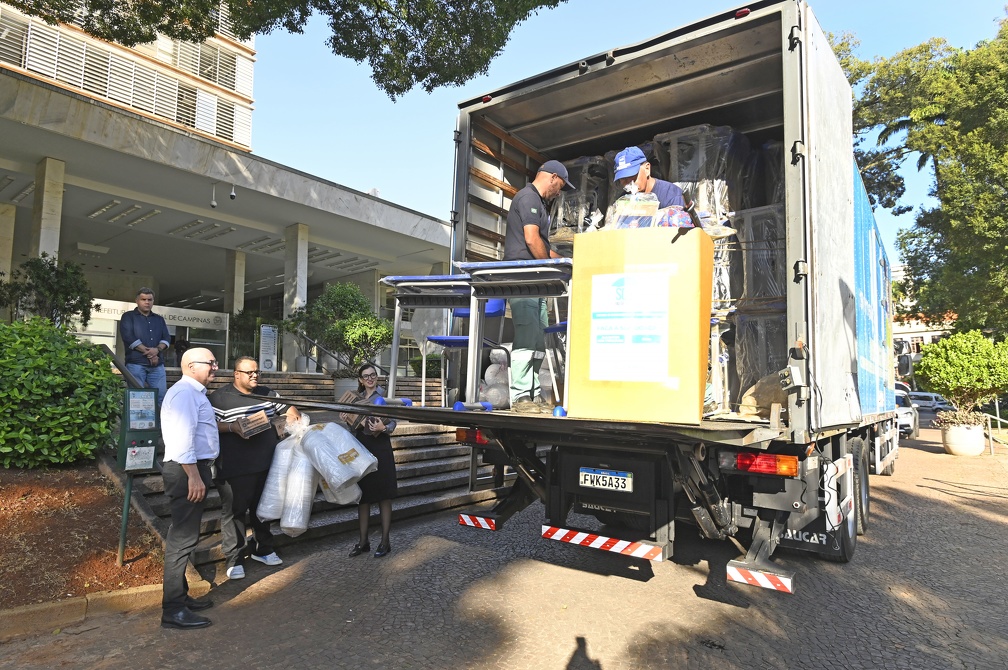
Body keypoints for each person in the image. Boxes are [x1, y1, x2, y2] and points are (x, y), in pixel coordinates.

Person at [209, 356, 301, 580]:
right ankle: (235, 558)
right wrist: (233, 427)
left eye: (257, 372)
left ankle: (264, 549)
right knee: (235, 512)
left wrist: (291, 416)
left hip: (266, 463)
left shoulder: (267, 394)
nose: (254, 376)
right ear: (236, 374)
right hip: (233, 466)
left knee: (263, 509)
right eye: (249, 372)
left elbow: (289, 409)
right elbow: (208, 425)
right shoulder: (218, 398)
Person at [503, 159, 574, 413]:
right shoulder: (528, 197)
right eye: (560, 187)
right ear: (552, 177)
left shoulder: (540, 205)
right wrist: (549, 266)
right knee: (525, 336)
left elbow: (543, 247)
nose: (559, 193)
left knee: (538, 338)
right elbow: (532, 240)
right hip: (523, 280)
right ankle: (521, 397)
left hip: (536, 282)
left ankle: (531, 396)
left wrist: (569, 261)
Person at [159, 347, 220, 630]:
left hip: (191, 470)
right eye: (211, 363)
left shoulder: (193, 393)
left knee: (184, 538)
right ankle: (172, 609)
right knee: (182, 540)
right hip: (186, 472)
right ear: (192, 366)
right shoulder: (185, 393)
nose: (216, 367)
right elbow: (182, 439)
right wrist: (194, 477)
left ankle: (180, 598)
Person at [345, 363, 398, 558]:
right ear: (360, 380)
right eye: (366, 376)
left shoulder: (384, 398)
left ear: (376, 377)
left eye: (373, 375)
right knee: (364, 498)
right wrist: (347, 418)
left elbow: (394, 422)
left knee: (384, 496)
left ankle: (385, 541)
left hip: (381, 448)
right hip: (362, 449)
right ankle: (363, 542)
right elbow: (354, 428)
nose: (369, 378)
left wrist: (383, 429)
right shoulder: (356, 400)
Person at [119, 287, 171, 409]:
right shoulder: (128, 317)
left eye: (150, 299)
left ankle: (160, 426)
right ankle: (139, 427)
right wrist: (151, 353)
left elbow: (167, 338)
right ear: (137, 300)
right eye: (144, 299)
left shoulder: (159, 319)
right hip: (136, 364)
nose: (147, 302)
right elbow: (128, 337)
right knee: (136, 399)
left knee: (161, 397)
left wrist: (157, 350)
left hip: (157, 366)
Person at [612, 146, 686, 209]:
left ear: (647, 169)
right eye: (622, 178)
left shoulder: (671, 196)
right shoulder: (624, 200)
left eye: (631, 176)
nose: (627, 184)